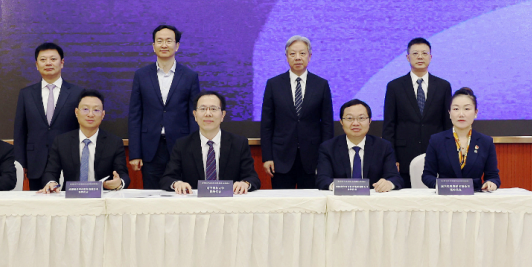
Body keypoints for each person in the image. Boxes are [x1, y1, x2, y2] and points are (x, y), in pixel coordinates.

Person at [128, 24, 201, 190]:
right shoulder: (141, 75)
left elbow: (194, 116)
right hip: (150, 148)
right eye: (159, 41)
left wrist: (193, 150)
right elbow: (135, 116)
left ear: (177, 45)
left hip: (181, 146)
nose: (164, 45)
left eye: (169, 41)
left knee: (181, 193)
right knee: (152, 195)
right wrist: (135, 153)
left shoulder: (190, 76)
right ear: (153, 46)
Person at [259, 35, 334, 189]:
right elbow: (267, 124)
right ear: (286, 57)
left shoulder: (321, 85)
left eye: (302, 53)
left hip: (313, 158)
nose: (298, 57)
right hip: (281, 157)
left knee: (312, 201)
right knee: (282, 201)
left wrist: (325, 158)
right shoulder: (273, 84)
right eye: (292, 54)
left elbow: (327, 125)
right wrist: (267, 157)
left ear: (309, 56)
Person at [14, 42, 85, 190]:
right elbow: (20, 131)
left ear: (62, 63)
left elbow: (82, 129)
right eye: (43, 59)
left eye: (53, 59)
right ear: (36, 65)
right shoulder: (26, 94)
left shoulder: (77, 93)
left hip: (68, 162)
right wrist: (21, 163)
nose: (48, 63)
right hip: (36, 163)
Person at [383, 37, 452, 187]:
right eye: (415, 53)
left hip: (435, 154)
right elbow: (389, 125)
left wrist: (447, 154)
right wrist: (391, 158)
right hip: (404, 155)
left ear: (430, 57)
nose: (420, 57)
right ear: (408, 57)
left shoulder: (443, 86)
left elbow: (447, 124)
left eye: (424, 53)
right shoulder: (394, 86)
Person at [161, 91, 260, 194]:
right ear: (195, 115)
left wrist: (245, 183)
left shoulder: (238, 143)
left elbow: (252, 177)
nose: (208, 114)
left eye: (213, 109)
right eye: (203, 109)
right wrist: (177, 183)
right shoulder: (182, 145)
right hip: (194, 201)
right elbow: (167, 178)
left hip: (229, 201)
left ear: (223, 115)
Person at [38, 90, 131, 193]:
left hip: (102, 196)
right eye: (85, 109)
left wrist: (119, 183)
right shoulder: (61, 141)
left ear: (103, 114)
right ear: (76, 112)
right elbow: (50, 172)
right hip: (70, 197)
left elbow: (123, 175)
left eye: (96, 110)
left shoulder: (114, 142)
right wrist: (51, 183)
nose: (90, 114)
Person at [315, 99, 403, 192]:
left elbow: (395, 178)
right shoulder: (328, 148)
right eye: (349, 118)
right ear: (341, 122)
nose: (355, 123)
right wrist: (339, 187)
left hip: (373, 199)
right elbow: (322, 179)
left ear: (369, 121)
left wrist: (388, 183)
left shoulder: (383, 146)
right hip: (340, 198)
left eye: (361, 118)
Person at [422, 87, 500, 191]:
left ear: (476, 113)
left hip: (475, 196)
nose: (461, 114)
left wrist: (491, 182)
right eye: (456, 109)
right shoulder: (436, 140)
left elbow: (493, 176)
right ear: (449, 113)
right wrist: (441, 185)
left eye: (467, 109)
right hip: (445, 196)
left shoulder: (486, 142)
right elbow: (427, 175)